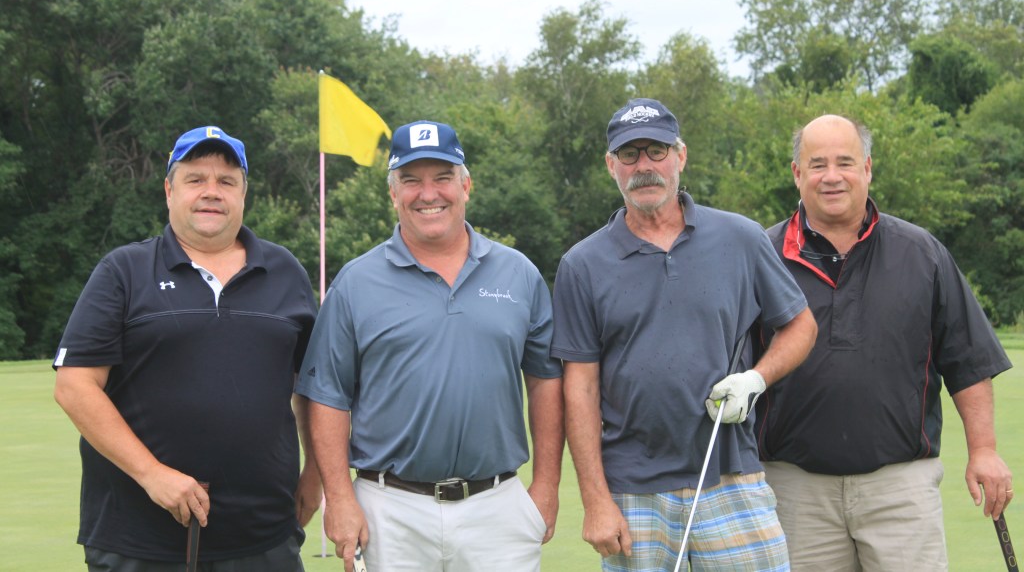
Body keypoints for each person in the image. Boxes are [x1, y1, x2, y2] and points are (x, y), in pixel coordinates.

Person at [553, 98, 818, 571]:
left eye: (656, 151)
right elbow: (581, 388)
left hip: (731, 477)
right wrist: (595, 501)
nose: (644, 166)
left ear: (680, 156)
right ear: (611, 165)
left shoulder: (741, 238)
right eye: (630, 154)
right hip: (633, 491)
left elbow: (800, 325)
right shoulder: (582, 265)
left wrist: (755, 379)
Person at [295, 120, 564, 572]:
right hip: (388, 510)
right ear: (393, 193)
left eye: (442, 178)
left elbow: (545, 382)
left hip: (498, 508)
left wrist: (547, 485)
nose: (428, 194)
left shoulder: (519, 273)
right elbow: (327, 396)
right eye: (411, 180)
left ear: (466, 186)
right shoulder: (356, 282)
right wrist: (339, 498)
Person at [53, 126, 320, 571]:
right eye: (195, 179)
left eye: (226, 181)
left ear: (243, 193)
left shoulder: (285, 270)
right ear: (169, 190)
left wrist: (316, 472)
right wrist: (151, 473)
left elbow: (313, 386)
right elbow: (75, 386)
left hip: (263, 536)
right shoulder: (124, 270)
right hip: (138, 539)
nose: (211, 191)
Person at [754, 113, 1014, 571]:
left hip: (901, 490)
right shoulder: (761, 256)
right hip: (794, 492)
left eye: (845, 162)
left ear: (868, 168)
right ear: (797, 173)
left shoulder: (923, 253)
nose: (832, 176)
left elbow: (968, 361)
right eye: (817, 164)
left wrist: (984, 450)